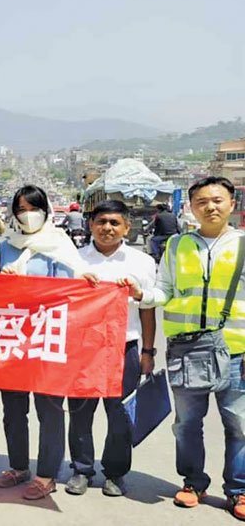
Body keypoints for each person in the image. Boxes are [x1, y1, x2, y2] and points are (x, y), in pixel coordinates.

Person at [123, 176, 245, 519]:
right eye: (202, 201)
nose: (210, 207)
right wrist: (142, 295)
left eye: (218, 200)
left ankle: (238, 490)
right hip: (187, 351)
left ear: (232, 204)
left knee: (239, 425)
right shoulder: (177, 245)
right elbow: (164, 290)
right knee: (188, 424)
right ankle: (193, 482)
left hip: (237, 351)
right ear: (191, 208)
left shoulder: (242, 245)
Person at [0, 184, 94, 500]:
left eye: (33, 208)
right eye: (21, 209)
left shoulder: (59, 244)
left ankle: (47, 473)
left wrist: (27, 288)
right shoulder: (7, 244)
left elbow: (66, 292)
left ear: (45, 210)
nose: (27, 215)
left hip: (47, 336)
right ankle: (18, 466)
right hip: (13, 336)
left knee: (49, 408)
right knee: (13, 409)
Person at [64, 200, 156, 497]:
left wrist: (148, 351)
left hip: (124, 347)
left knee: (120, 415)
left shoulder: (142, 262)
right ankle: (81, 469)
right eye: (101, 221)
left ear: (127, 227)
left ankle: (115, 472)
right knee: (80, 413)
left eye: (115, 223)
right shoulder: (74, 260)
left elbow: (147, 308)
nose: (107, 228)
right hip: (83, 348)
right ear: (90, 225)